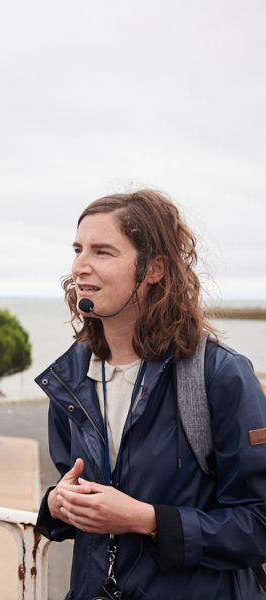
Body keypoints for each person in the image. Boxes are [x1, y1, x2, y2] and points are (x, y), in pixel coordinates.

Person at [35, 189, 266, 599]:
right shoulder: (70, 377)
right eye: (77, 249)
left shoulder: (221, 375)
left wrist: (147, 519)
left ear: (154, 268)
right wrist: (57, 504)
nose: (79, 267)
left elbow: (258, 523)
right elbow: (69, 484)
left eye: (103, 252)